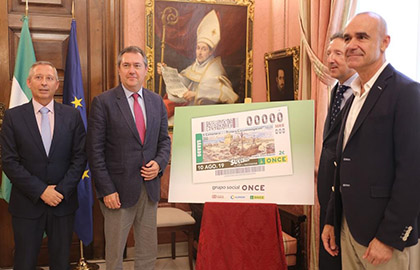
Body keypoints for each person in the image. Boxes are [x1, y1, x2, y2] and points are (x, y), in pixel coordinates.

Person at [322, 12, 420, 270]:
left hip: (382, 239)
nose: (351, 44)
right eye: (347, 37)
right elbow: (343, 164)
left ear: (384, 42)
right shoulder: (353, 95)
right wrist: (332, 219)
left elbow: (413, 173)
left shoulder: (407, 92)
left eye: (362, 37)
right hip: (349, 231)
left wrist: (389, 238)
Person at [87, 46, 171, 270]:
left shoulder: (156, 101)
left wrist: (159, 164)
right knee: (115, 253)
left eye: (137, 65)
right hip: (117, 191)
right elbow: (94, 151)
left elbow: (164, 140)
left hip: (149, 188)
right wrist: (106, 190)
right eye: (126, 65)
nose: (132, 70)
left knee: (147, 250)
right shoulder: (103, 102)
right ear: (119, 70)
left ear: (146, 70)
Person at [0, 61, 87, 269]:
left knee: (61, 262)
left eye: (49, 78)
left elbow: (80, 157)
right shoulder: (13, 117)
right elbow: (9, 161)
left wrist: (60, 191)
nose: (44, 83)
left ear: (57, 85)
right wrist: (41, 191)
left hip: (62, 202)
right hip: (27, 204)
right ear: (29, 83)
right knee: (25, 261)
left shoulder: (72, 116)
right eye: (39, 78)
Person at [317, 32, 357, 270]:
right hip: (328, 192)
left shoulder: (362, 95)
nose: (331, 59)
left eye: (338, 54)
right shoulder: (336, 90)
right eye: (329, 53)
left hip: (347, 193)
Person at [158, 10, 238, 119]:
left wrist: (196, 94)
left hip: (206, 114)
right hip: (189, 109)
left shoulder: (215, 70)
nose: (199, 52)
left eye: (204, 49)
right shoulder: (194, 66)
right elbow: (184, 83)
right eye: (198, 48)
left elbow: (225, 94)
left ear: (210, 52)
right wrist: (166, 72)